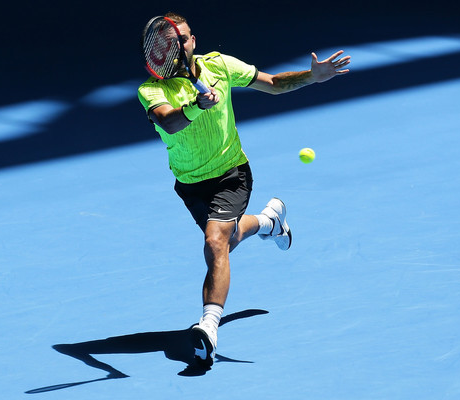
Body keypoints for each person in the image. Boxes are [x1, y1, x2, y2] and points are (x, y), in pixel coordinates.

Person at [137, 12, 350, 368]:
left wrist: (311, 77)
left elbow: (273, 82)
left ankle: (208, 329)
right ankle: (269, 222)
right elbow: (168, 121)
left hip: (231, 174)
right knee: (228, 239)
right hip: (190, 185)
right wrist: (194, 106)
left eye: (188, 37)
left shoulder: (219, 66)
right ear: (162, 52)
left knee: (215, 242)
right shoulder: (152, 89)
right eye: (177, 40)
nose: (187, 43)